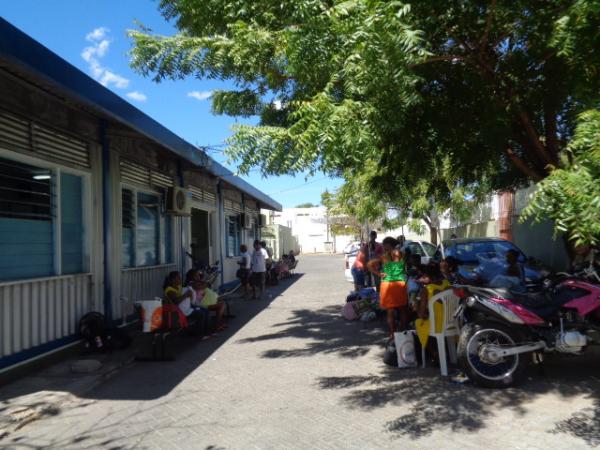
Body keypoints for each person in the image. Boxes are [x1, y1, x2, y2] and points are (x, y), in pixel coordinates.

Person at [367, 237, 408, 339]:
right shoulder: (403, 255)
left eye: (384, 245)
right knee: (403, 309)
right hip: (400, 284)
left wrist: (379, 274)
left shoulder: (384, 257)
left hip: (388, 285)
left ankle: (392, 333)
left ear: (389, 245)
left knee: (390, 311)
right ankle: (403, 330)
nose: (383, 247)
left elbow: (369, 264)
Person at [164, 271, 209, 336]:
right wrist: (186, 295)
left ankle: (205, 332)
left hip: (184, 307)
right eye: (178, 278)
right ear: (173, 280)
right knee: (201, 314)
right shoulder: (169, 290)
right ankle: (199, 334)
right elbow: (176, 301)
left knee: (205, 310)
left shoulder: (178, 286)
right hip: (176, 312)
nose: (180, 279)